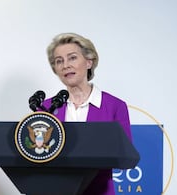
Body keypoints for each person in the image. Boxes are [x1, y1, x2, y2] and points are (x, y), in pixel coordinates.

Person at [41, 32, 132, 195]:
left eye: (72, 58)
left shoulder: (114, 106)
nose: (65, 65)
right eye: (59, 61)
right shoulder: (46, 107)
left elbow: (124, 156)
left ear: (89, 62)